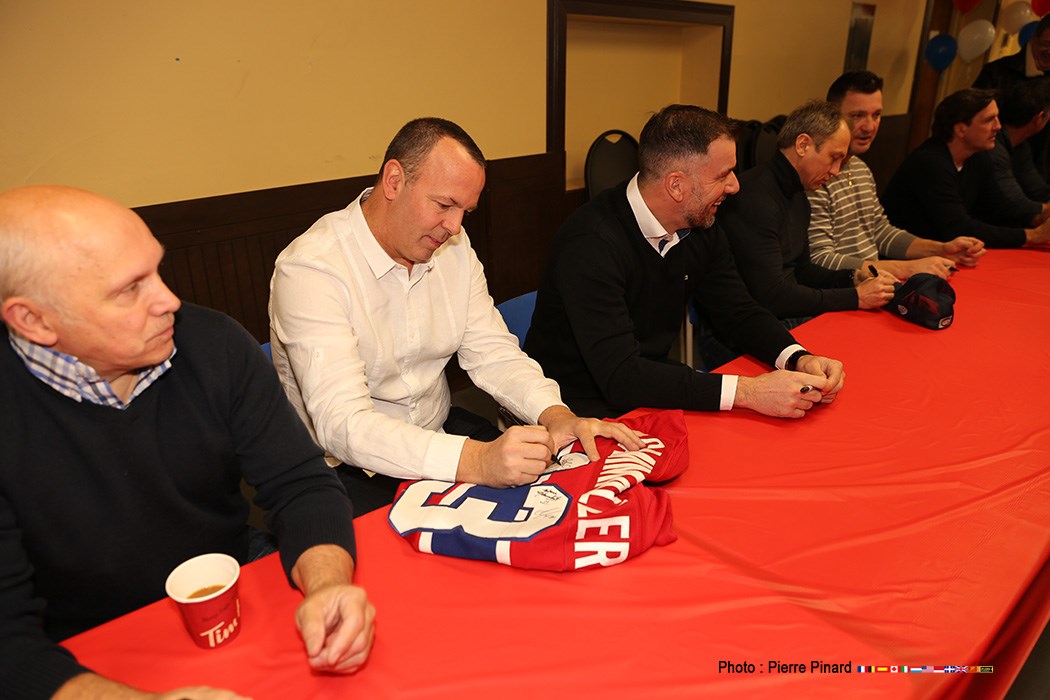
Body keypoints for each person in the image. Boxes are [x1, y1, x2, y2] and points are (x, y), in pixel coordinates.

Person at [0, 186, 375, 700]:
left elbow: (300, 484)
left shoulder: (212, 342)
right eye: (129, 289)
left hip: (232, 575)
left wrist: (330, 585)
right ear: (34, 321)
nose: (169, 300)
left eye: (157, 269)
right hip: (74, 638)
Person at [269, 118, 642, 516]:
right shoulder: (312, 269)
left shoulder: (454, 248)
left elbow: (493, 352)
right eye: (445, 205)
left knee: (563, 503)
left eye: (465, 210)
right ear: (394, 181)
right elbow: (343, 424)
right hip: (340, 469)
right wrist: (477, 462)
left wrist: (554, 414)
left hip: (436, 433)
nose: (455, 227)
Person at [523, 104, 846, 421]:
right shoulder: (591, 243)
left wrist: (797, 357)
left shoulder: (700, 224)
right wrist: (748, 392)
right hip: (576, 409)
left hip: (651, 384)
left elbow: (737, 310)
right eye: (723, 175)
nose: (735, 186)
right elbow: (621, 376)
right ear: (676, 185)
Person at [718, 100, 896, 323]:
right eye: (834, 158)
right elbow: (772, 296)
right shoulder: (755, 198)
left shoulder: (799, 196)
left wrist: (852, 278)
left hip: (784, 312)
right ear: (802, 145)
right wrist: (855, 297)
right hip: (746, 326)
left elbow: (802, 271)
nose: (836, 172)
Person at [807, 71, 986, 279]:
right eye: (857, 116)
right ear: (832, 115)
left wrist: (942, 249)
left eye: (876, 115)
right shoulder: (816, 175)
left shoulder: (860, 168)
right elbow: (820, 259)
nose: (870, 126)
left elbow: (880, 232)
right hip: (841, 291)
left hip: (873, 284)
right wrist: (905, 268)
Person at [882, 88, 1050, 248]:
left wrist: (1039, 218)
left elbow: (997, 208)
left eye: (997, 118)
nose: (998, 126)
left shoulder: (978, 156)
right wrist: (1032, 236)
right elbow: (958, 228)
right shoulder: (930, 163)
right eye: (989, 120)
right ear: (961, 129)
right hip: (904, 259)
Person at [975, 15, 1050, 179]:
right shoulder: (996, 73)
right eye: (1047, 44)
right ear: (1034, 39)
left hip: (1041, 178)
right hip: (996, 172)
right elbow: (975, 124)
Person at [989, 77, 1050, 217]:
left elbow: (1038, 190)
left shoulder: (1021, 146)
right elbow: (1015, 201)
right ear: (1039, 118)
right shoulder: (992, 147)